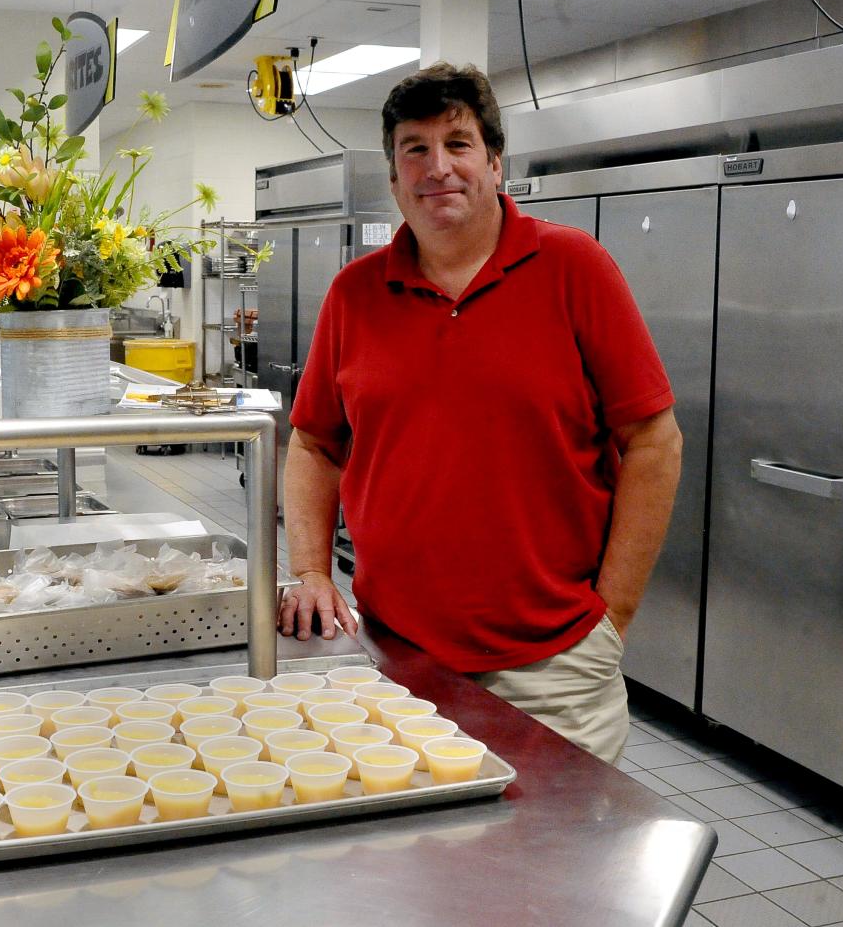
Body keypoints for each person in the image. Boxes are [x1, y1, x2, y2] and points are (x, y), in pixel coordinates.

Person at [276, 62, 682, 764]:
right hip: (397, 655)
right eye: (416, 149)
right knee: (415, 865)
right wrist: (312, 569)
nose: (439, 168)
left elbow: (654, 441)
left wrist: (609, 620)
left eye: (458, 144)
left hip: (553, 669)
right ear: (395, 175)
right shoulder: (354, 295)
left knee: (557, 867)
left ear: (495, 162)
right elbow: (314, 444)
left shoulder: (575, 269)